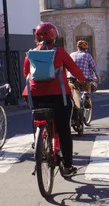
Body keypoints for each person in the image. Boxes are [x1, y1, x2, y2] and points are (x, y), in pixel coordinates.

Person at [24, 22, 86, 178]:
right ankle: (67, 165)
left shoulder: (30, 53)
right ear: (54, 36)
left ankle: (39, 150)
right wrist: (84, 81)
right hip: (59, 97)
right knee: (64, 130)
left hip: (36, 97)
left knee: (38, 123)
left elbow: (26, 73)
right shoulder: (59, 52)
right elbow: (74, 69)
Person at [69, 40, 100, 110]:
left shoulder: (71, 55)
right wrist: (97, 77)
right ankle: (86, 96)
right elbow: (93, 67)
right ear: (85, 48)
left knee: (74, 91)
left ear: (77, 47)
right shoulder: (87, 55)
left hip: (72, 79)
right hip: (84, 79)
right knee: (87, 88)